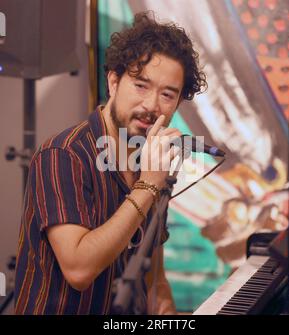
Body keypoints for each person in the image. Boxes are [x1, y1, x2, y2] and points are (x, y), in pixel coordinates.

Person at [14, 11, 207, 315]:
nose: (151, 106)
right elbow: (79, 270)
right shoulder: (63, 155)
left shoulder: (152, 159)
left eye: (167, 95)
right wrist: (148, 186)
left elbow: (152, 276)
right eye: (141, 85)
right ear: (114, 81)